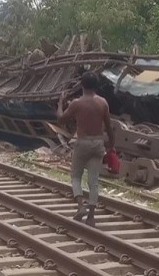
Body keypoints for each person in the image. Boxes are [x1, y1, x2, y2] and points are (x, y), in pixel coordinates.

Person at [56, 71, 114, 227]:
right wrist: (111, 147)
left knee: (76, 176)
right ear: (96, 86)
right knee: (93, 180)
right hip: (98, 144)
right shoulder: (103, 103)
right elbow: (109, 128)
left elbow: (61, 119)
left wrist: (60, 104)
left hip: (83, 143)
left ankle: (81, 206)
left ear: (82, 85)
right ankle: (91, 217)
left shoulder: (77, 103)